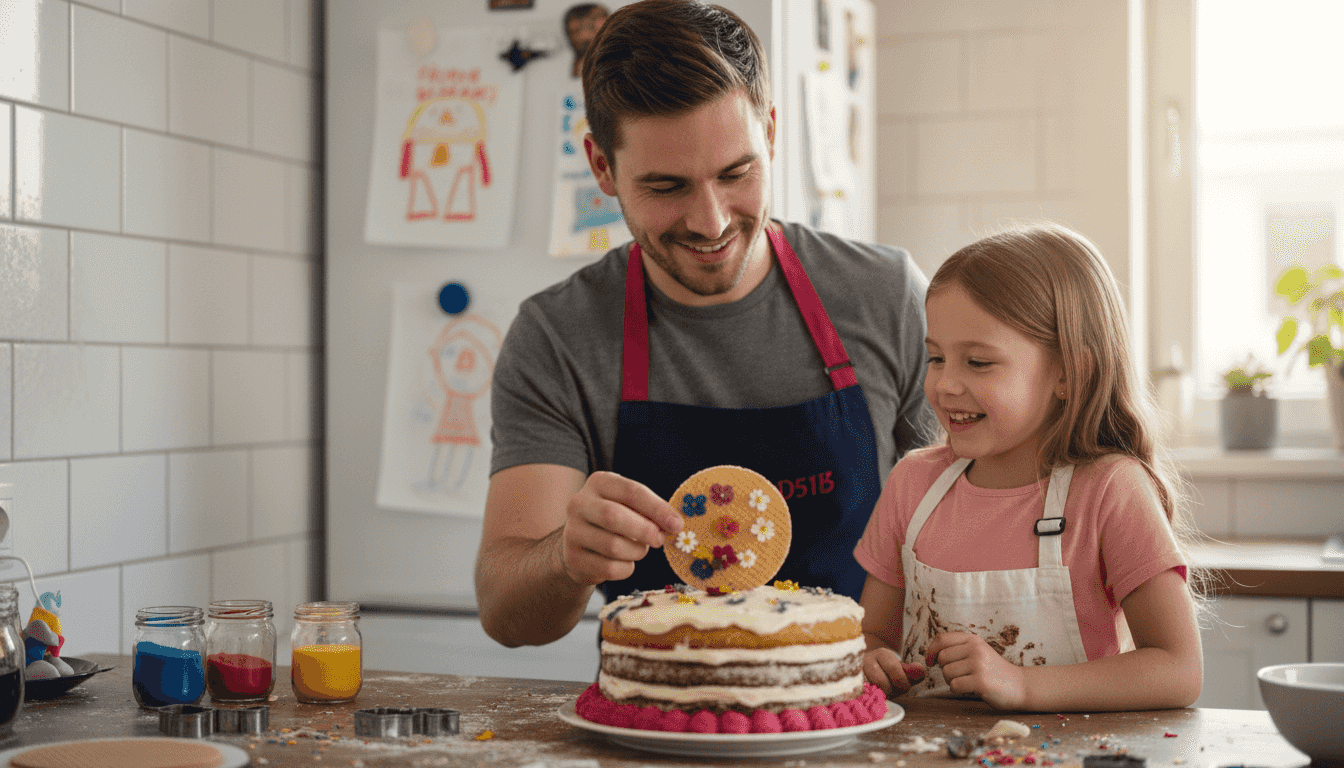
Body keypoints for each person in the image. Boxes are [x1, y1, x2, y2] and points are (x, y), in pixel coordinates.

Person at [475, 0, 935, 648]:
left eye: (736, 173)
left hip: (866, 720)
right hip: (659, 729)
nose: (711, 221)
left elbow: (972, 524)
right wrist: (563, 557)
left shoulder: (887, 297)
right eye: (667, 187)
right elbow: (506, 615)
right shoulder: (558, 337)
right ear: (602, 167)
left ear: (770, 133)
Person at [855, 223, 1205, 711]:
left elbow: (1178, 668)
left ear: (1066, 372)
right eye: (935, 357)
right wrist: (870, 659)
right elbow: (872, 634)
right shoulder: (912, 484)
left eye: (978, 362)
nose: (944, 385)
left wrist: (1020, 684)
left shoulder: (1109, 490)